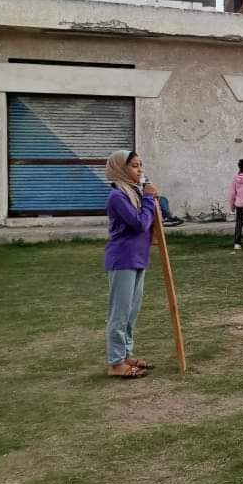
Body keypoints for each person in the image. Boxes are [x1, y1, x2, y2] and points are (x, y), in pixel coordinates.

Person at [104, 150, 158, 379]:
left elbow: (153, 218)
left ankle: (125, 354)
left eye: (140, 165)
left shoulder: (134, 192)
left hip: (138, 257)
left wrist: (151, 198)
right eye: (134, 166)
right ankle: (116, 362)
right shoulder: (118, 196)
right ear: (121, 168)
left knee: (131, 312)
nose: (140, 170)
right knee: (119, 313)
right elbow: (139, 223)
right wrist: (148, 199)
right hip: (123, 258)